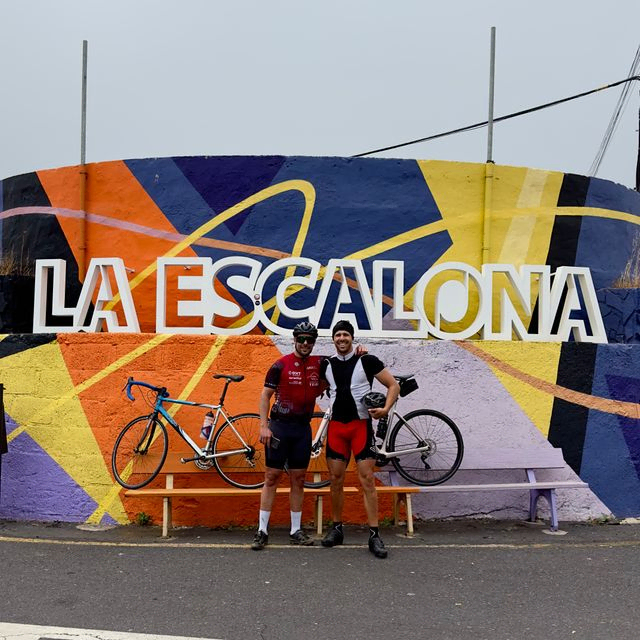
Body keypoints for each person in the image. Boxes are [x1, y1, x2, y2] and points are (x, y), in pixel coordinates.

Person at [319, 320, 400, 559]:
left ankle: (374, 534)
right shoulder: (326, 364)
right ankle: (336, 529)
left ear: (352, 338)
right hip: (336, 429)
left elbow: (393, 385)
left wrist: (385, 409)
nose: (341, 339)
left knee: (367, 480)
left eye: (345, 335)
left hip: (360, 428)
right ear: (333, 339)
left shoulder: (367, 360)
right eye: (338, 335)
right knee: (335, 479)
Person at [251, 321, 324, 550]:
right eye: (301, 339)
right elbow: (265, 396)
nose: (304, 343)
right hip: (280, 427)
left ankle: (295, 530)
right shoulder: (280, 365)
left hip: (302, 429)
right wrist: (264, 426)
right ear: (294, 340)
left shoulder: (320, 364)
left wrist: (360, 350)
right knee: (272, 477)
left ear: (313, 342)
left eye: (309, 340)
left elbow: (346, 361)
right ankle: (262, 530)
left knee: (298, 479)